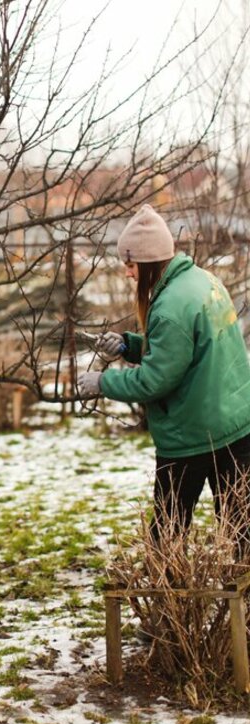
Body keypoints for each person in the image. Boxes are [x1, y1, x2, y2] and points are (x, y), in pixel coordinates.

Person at [77, 204, 250, 546]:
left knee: (168, 533)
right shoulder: (202, 281)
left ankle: (164, 593)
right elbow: (189, 352)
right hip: (234, 423)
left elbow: (156, 380)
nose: (127, 274)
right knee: (242, 529)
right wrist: (129, 346)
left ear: (147, 262)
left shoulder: (171, 306)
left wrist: (102, 383)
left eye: (130, 265)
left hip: (193, 433)